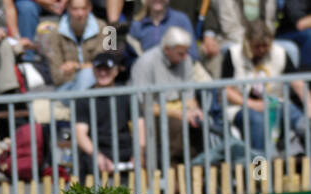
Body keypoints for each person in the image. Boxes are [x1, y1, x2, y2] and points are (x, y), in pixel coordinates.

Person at [222, 18, 307, 154]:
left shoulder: (279, 52)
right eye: (257, 46)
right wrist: (252, 104)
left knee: (300, 118)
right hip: (242, 108)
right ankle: (260, 172)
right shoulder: (233, 54)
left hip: (274, 103)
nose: (262, 50)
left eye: (265, 46)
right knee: (258, 121)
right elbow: (226, 90)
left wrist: (309, 106)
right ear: (247, 42)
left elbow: (297, 82)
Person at [129, 24, 208, 162]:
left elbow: (189, 97)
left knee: (200, 123)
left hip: (178, 110)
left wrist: (194, 111)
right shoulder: (145, 63)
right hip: (151, 114)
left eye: (186, 52)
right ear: (167, 49)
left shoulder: (186, 60)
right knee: (176, 125)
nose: (185, 57)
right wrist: (179, 114)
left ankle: (198, 169)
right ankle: (173, 171)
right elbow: (144, 107)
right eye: (180, 53)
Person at [74, 49, 143, 180]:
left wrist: (138, 153)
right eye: (99, 69)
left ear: (116, 71)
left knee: (152, 157)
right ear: (93, 72)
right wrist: (98, 157)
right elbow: (81, 135)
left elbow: (140, 126)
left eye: (107, 69)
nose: (103, 73)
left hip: (124, 148)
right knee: (87, 164)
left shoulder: (126, 95)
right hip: (97, 149)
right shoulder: (83, 98)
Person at [44, 0, 103, 91]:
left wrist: (76, 67)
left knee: (87, 74)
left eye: (83, 8)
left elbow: (104, 66)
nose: (80, 14)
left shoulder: (103, 28)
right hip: (66, 88)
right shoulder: (56, 33)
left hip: (97, 86)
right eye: (75, 9)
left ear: (90, 8)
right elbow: (57, 77)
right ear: (67, 8)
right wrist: (87, 67)